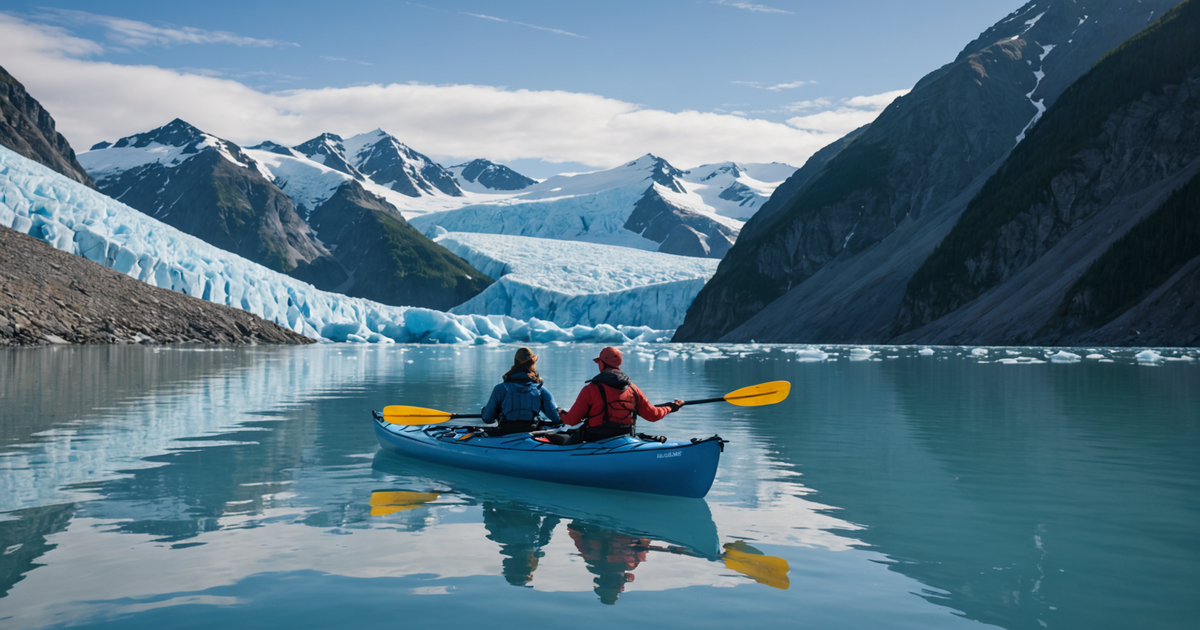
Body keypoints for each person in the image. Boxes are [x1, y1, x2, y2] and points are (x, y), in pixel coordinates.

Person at [558, 346, 683, 442]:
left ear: (602, 364)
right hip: (625, 438)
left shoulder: (590, 389)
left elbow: (572, 420)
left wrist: (560, 412)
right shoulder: (633, 389)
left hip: (595, 440)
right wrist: (671, 407)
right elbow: (653, 415)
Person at [482, 347, 562, 436]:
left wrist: (486, 411)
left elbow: (487, 418)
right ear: (533, 364)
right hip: (533, 430)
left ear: (515, 363)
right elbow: (555, 417)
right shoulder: (541, 389)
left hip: (506, 431)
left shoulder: (500, 389)